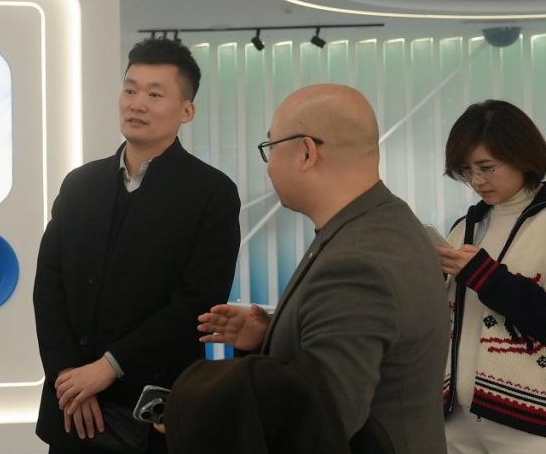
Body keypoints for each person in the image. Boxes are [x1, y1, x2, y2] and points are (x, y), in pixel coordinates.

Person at [198, 84, 448, 454]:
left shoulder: (356, 263)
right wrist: (272, 337)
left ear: (306, 152)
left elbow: (319, 425)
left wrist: (201, 419)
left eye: (270, 148)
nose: (269, 166)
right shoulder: (385, 221)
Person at [33, 38, 242, 454]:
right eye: (130, 90)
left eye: (154, 94)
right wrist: (69, 376)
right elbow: (49, 285)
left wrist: (108, 368)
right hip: (72, 407)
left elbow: (197, 302)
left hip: (152, 408)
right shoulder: (80, 184)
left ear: (186, 111)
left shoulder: (211, 193)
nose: (137, 104)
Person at [437, 100, 546, 451]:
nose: (476, 181)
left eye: (486, 167)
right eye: (465, 171)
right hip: (456, 414)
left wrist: (488, 278)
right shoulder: (465, 227)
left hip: (528, 422)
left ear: (523, 156)